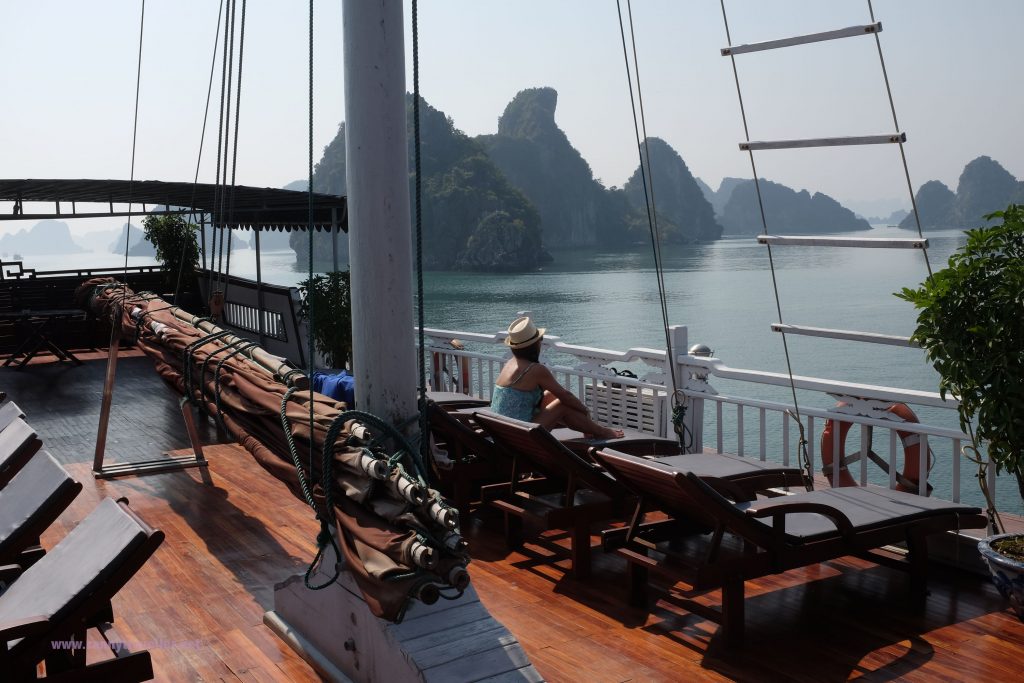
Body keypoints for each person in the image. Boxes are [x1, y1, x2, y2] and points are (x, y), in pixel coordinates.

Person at [490, 316, 624, 439]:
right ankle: (601, 431)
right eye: (540, 339)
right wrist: (585, 410)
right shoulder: (535, 369)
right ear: (535, 344)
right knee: (562, 405)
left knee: (550, 395)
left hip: (500, 428)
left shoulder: (510, 363)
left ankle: (590, 429)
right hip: (519, 435)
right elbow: (565, 396)